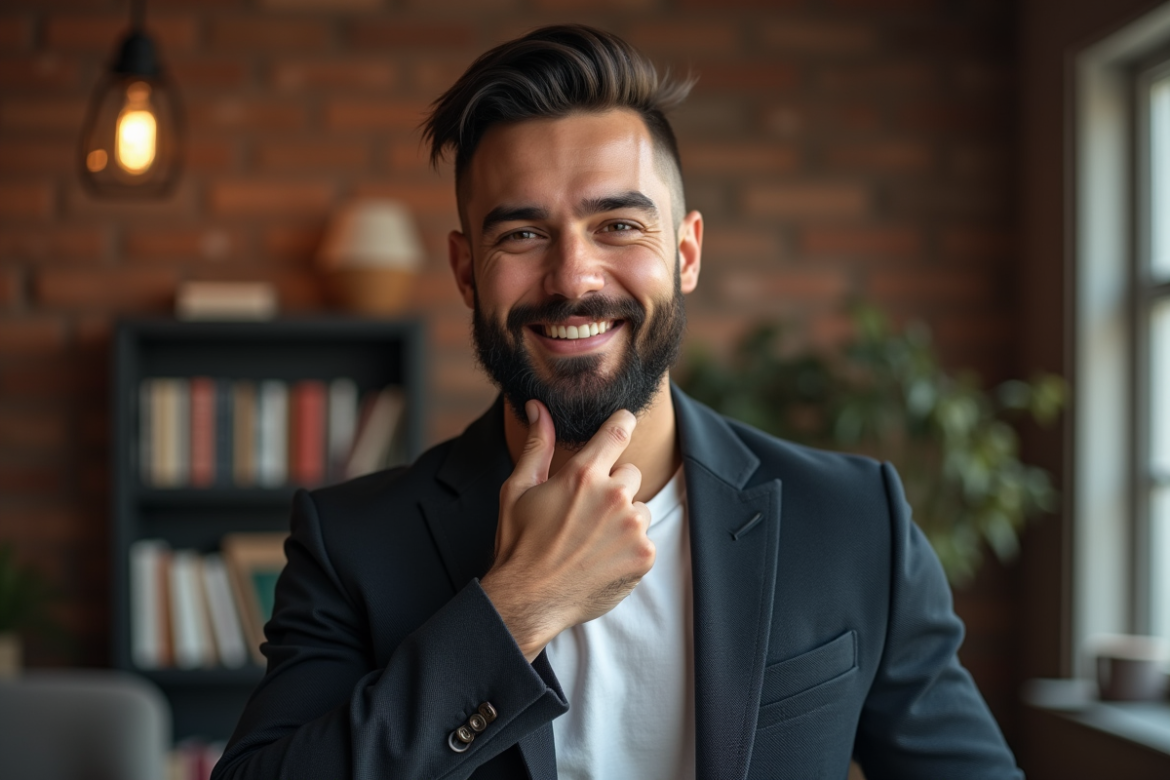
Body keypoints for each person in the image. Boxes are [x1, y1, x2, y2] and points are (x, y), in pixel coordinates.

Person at [212, 25, 1024, 780]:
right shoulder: (351, 542)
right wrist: (515, 608)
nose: (573, 278)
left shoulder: (852, 520)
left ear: (686, 251)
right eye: (522, 235)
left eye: (618, 226)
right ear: (466, 271)